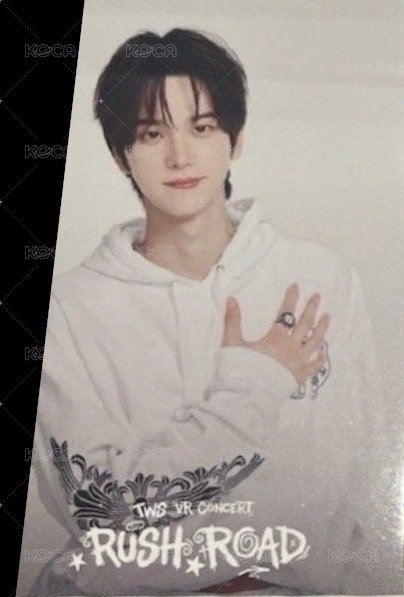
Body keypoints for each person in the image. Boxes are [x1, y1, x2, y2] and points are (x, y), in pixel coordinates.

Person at [25, 28, 392, 595]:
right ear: (121, 154)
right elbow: (99, 509)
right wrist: (256, 382)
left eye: (202, 127)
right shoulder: (68, 310)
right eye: (152, 133)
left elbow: (364, 490)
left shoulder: (321, 280)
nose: (180, 155)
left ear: (235, 138)